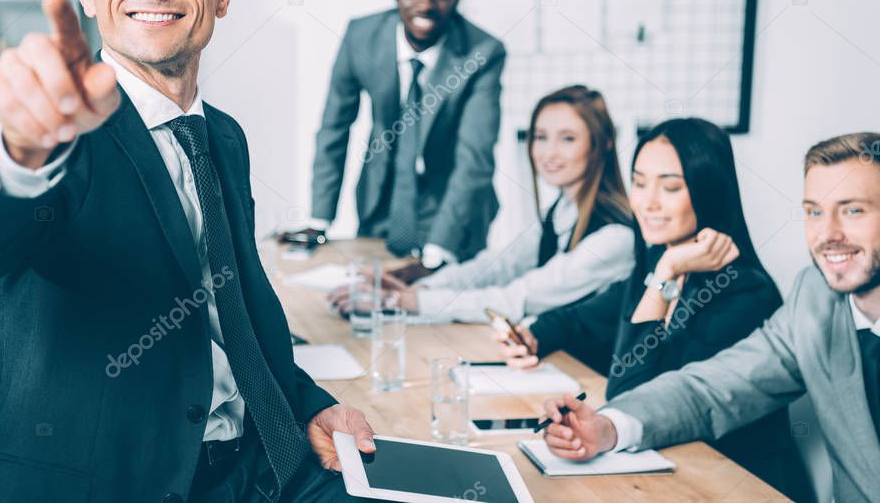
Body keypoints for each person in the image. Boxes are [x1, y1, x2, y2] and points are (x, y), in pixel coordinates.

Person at [0, 0, 375, 503]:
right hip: (113, 482)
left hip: (262, 462)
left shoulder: (224, 137)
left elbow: (237, 307)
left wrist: (310, 403)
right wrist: (19, 149)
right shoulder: (56, 131)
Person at [537, 132, 880, 503]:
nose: (827, 234)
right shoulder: (816, 296)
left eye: (853, 210)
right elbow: (710, 389)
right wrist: (608, 427)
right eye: (814, 211)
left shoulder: (746, 288)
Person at [496, 119, 811, 500]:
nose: (648, 202)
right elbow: (579, 320)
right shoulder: (654, 263)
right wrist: (532, 337)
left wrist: (665, 275)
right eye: (640, 182)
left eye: (671, 186)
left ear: (708, 191)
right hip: (672, 479)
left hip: (737, 486)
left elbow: (630, 389)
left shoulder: (744, 293)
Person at [279, 0, 506, 272]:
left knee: (435, 312)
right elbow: (334, 129)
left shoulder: (482, 53)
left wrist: (439, 250)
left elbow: (474, 158)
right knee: (371, 302)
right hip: (380, 199)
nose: (426, 4)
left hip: (452, 210)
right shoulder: (362, 37)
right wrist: (319, 219)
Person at [327, 85, 634, 323]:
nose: (549, 153)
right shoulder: (563, 211)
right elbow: (497, 267)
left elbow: (519, 298)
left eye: (567, 139)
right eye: (540, 137)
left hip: (588, 381)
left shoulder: (615, 237)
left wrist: (404, 302)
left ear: (603, 143)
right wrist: (420, 290)